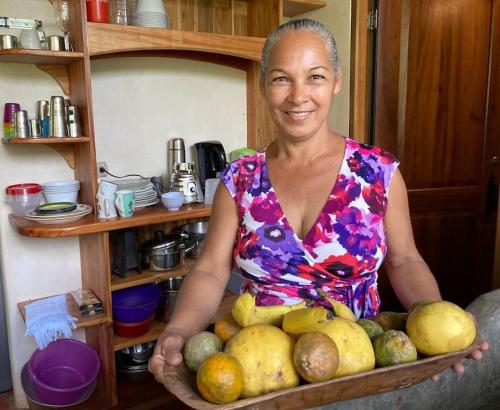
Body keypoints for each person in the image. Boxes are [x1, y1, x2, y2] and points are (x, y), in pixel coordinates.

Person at [149, 18, 487, 383]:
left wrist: (434, 323)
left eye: (316, 77)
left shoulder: (378, 173)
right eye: (281, 78)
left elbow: (404, 260)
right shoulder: (239, 179)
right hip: (260, 368)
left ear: (336, 80)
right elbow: (210, 270)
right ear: (264, 85)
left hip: (359, 365)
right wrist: (178, 332)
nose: (298, 96)